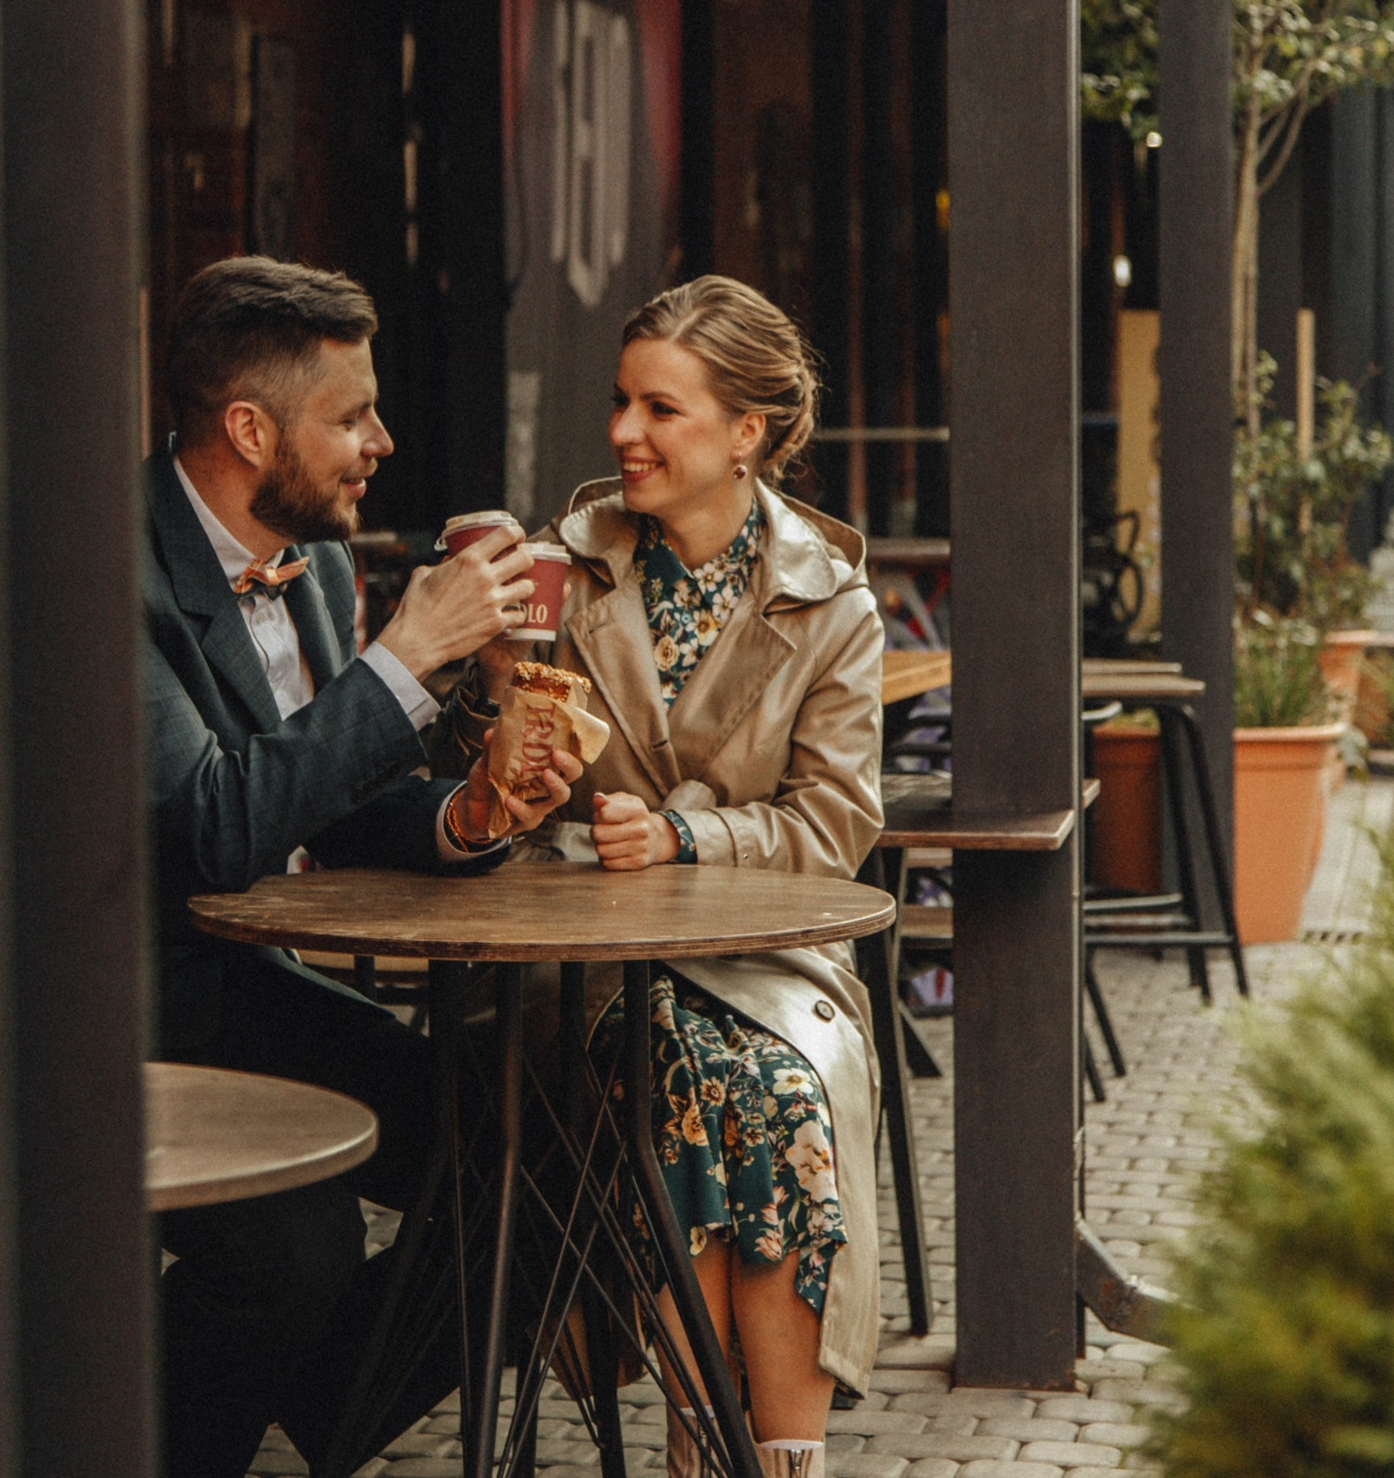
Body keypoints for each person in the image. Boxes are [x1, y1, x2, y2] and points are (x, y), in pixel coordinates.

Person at [438, 275, 883, 1478]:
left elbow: (837, 824)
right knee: (688, 1066)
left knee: (774, 1086)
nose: (624, 433)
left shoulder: (830, 603)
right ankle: (711, 1446)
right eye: (623, 404)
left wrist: (692, 839)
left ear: (746, 433)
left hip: (769, 958)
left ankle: (771, 1460)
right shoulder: (560, 573)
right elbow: (469, 784)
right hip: (578, 957)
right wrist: (484, 675)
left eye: (661, 409)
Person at [145, 256, 581, 1478]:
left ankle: (335, 1402)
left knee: (532, 1160)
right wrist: (408, 658)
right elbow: (214, 827)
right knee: (295, 1248)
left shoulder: (317, 559)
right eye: (350, 416)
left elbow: (344, 809)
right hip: (117, 1018)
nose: (379, 442)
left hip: (247, 994)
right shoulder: (108, 573)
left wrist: (474, 811)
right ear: (247, 428)